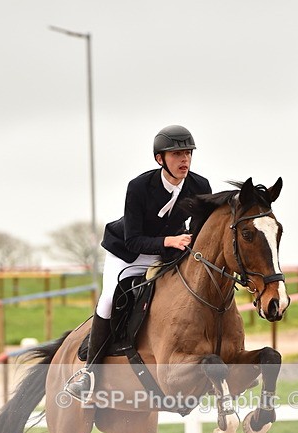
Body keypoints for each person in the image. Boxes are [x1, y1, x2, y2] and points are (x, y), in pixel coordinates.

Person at [64, 124, 212, 400]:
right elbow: (133, 240)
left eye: (188, 153)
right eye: (177, 154)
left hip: (170, 252)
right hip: (128, 253)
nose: (184, 160)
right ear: (160, 159)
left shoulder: (199, 186)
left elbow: (201, 231)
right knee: (109, 299)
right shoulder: (140, 187)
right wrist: (169, 240)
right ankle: (89, 373)